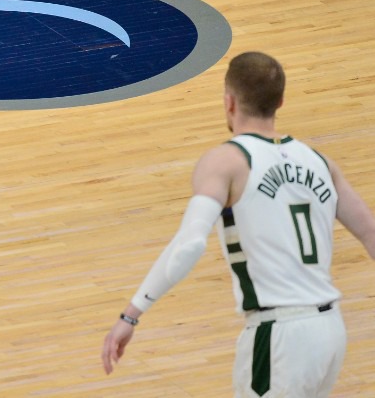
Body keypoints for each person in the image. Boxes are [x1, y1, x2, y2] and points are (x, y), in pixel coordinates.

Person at [101, 51, 375, 396]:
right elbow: (371, 234)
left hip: (279, 336)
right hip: (331, 331)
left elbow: (189, 244)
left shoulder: (227, 162)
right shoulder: (320, 162)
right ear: (280, 101)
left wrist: (131, 315)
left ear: (229, 102)